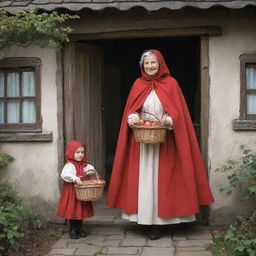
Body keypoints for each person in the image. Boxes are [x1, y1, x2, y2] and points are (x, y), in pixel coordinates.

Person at [107, 49, 214, 240]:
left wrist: (169, 119)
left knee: (165, 179)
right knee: (145, 179)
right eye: (146, 63)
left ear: (160, 63)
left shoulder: (171, 84)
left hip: (166, 142)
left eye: (153, 63)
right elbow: (132, 109)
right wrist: (133, 117)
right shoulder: (137, 84)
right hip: (143, 143)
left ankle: (163, 220)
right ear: (142, 66)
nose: (149, 66)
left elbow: (179, 111)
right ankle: (147, 220)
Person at [56, 140, 96, 239]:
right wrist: (75, 178)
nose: (80, 155)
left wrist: (90, 172)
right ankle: (73, 230)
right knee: (73, 209)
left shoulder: (84, 164)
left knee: (80, 210)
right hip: (72, 191)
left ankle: (80, 228)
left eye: (82, 152)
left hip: (82, 192)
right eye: (77, 152)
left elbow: (91, 169)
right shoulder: (69, 165)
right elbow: (65, 175)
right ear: (71, 153)